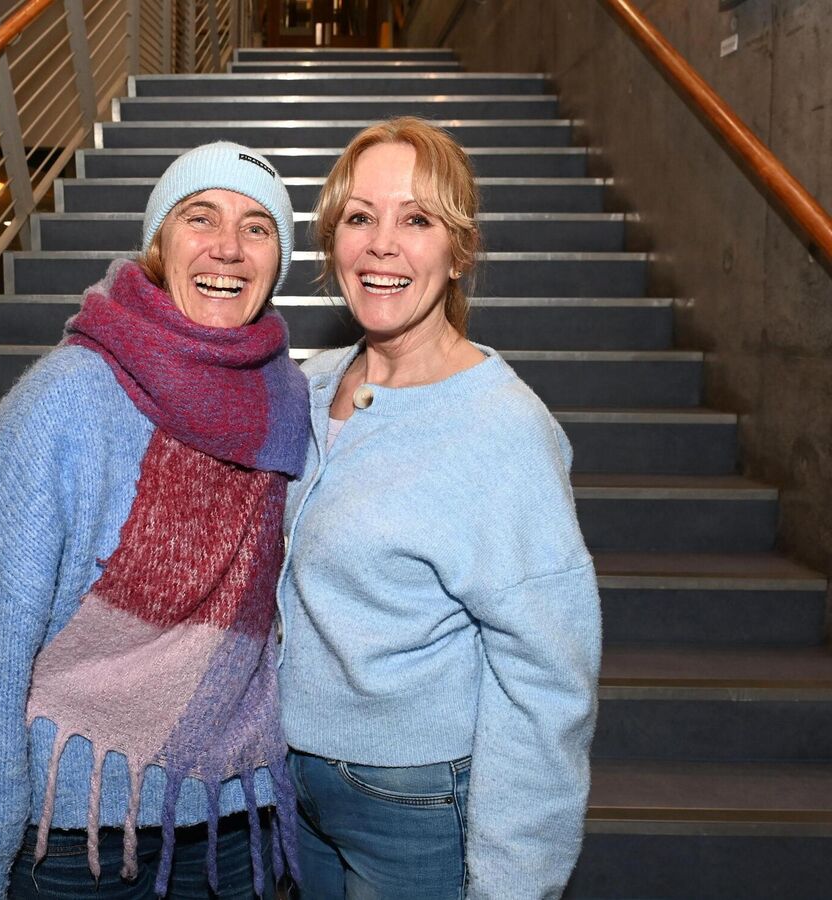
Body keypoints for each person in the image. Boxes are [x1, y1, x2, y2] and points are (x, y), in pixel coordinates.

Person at [0, 142, 308, 899]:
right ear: (159, 243)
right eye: (200, 217)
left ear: (277, 261)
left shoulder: (286, 401)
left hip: (231, 816)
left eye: (257, 228)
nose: (228, 247)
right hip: (72, 829)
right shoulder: (70, 398)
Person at [276, 117, 602, 899]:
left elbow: (547, 677)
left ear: (458, 252)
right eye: (360, 217)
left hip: (412, 802)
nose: (382, 245)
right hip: (291, 786)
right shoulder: (311, 383)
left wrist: (514, 882)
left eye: (417, 220)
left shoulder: (502, 429)